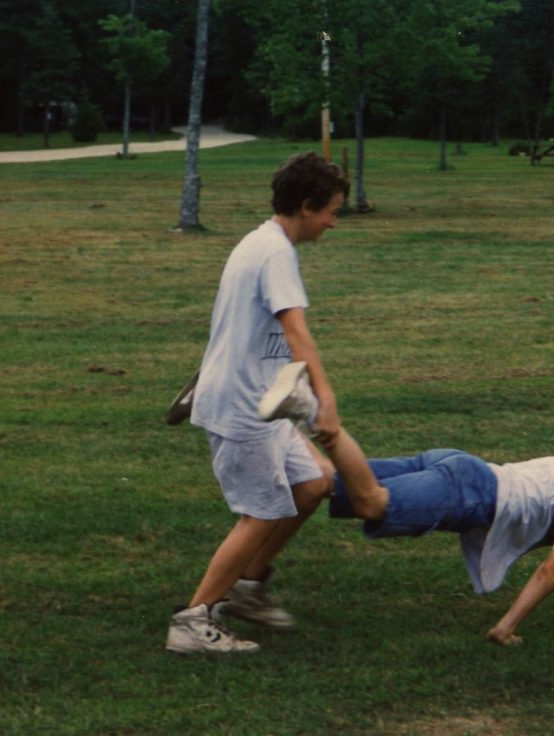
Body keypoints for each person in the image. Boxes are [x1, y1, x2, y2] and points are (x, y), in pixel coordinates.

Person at [259, 362, 554, 646]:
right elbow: (553, 569)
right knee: (372, 503)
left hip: (462, 469)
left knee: (332, 482)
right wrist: (506, 627)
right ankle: (309, 412)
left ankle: (262, 416)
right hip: (469, 491)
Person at [165, 152, 349, 654]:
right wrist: (325, 400)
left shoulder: (262, 243)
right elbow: (296, 332)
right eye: (330, 211)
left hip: (260, 403)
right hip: (243, 408)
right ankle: (192, 619)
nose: (333, 222)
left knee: (314, 483)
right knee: (261, 513)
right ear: (307, 206)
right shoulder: (272, 253)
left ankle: (246, 589)